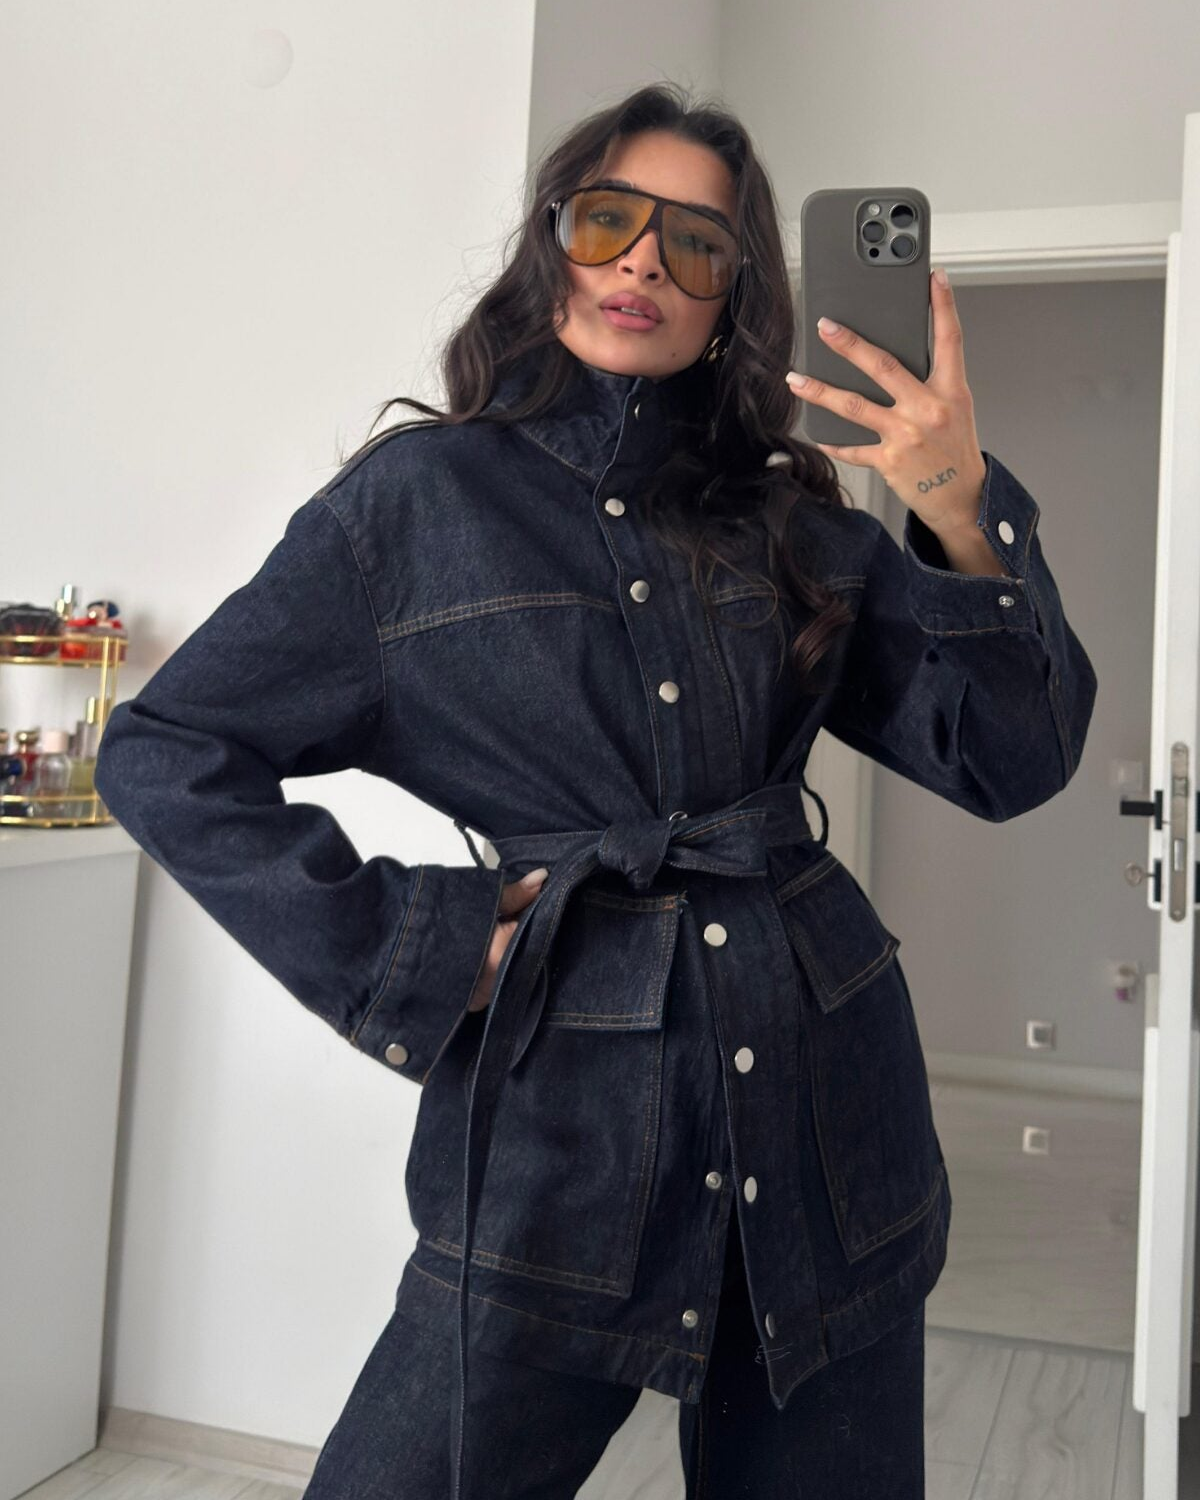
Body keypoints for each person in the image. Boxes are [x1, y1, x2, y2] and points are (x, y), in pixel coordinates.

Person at [94, 81, 1098, 1499]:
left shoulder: (786, 517)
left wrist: (957, 508)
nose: (643, 264)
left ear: (733, 297)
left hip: (829, 1123)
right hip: (556, 1148)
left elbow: (1010, 759)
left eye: (696, 243)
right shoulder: (412, 509)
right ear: (551, 237)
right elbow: (165, 749)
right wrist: (419, 948)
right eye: (610, 219)